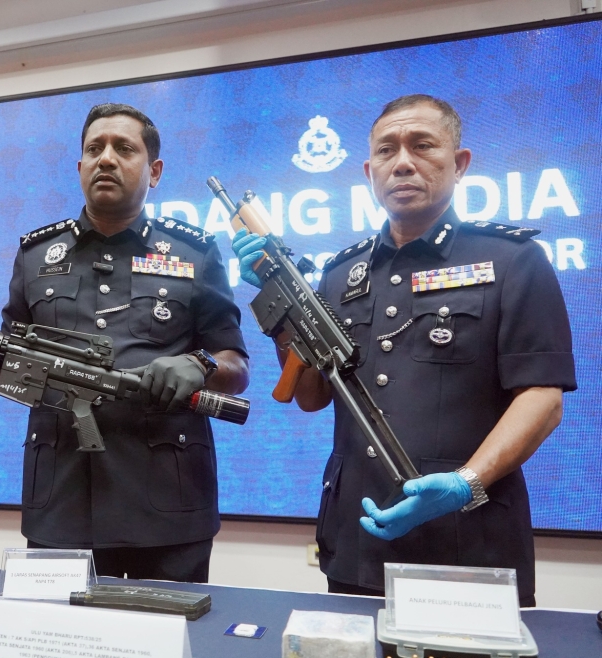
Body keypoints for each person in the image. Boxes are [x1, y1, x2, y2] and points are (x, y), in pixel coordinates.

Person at [233, 94, 576, 606]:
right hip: (356, 539)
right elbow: (309, 396)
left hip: (471, 542)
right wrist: (276, 300)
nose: (404, 162)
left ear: (460, 164)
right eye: (388, 151)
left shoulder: (512, 260)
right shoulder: (340, 273)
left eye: (422, 146)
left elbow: (542, 399)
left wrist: (466, 483)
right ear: (370, 171)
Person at [0, 103, 249, 583]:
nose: (106, 159)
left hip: (167, 505)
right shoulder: (35, 256)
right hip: (60, 501)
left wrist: (198, 365)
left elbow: (234, 365)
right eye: (94, 149)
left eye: (123, 148)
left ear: (154, 171)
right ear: (79, 168)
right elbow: (10, 371)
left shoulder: (194, 252)